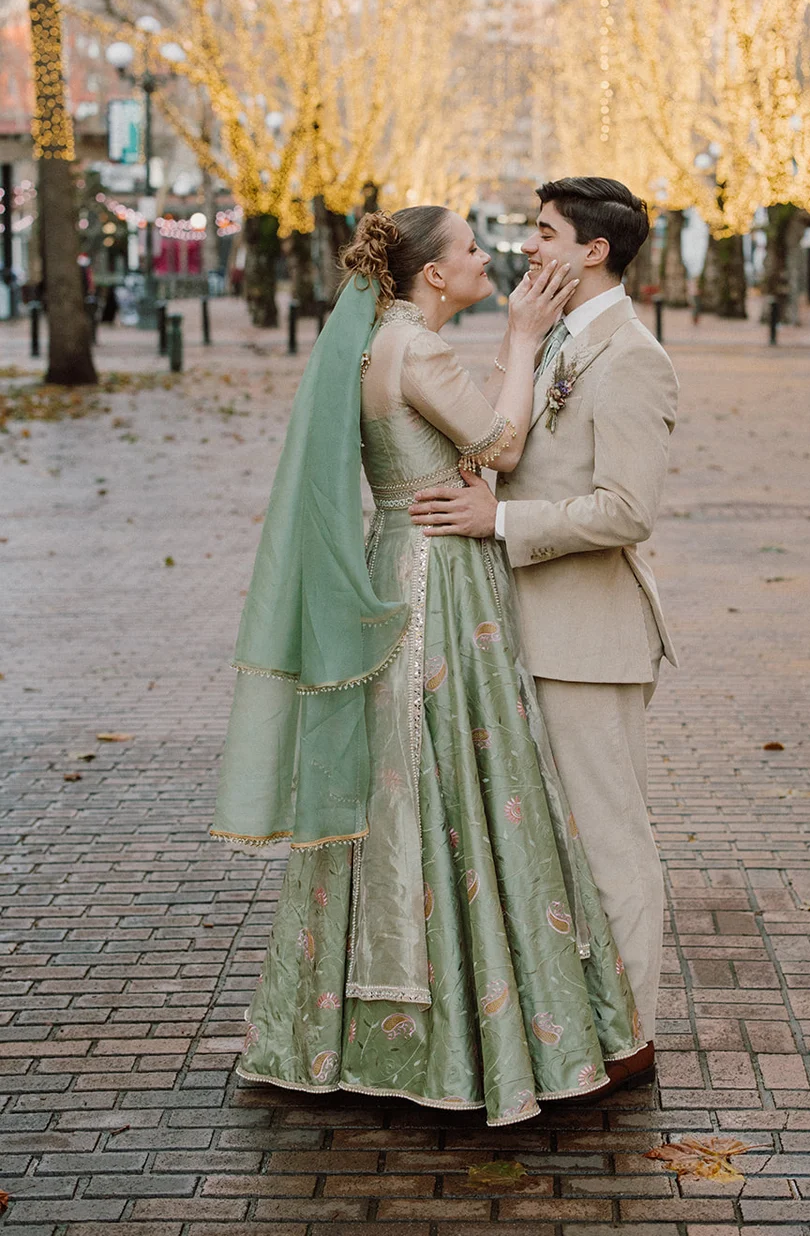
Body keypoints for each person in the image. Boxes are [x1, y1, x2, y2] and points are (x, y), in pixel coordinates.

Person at [211, 205, 651, 1125]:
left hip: (399, 557)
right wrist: (525, 338)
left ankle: (362, 1024)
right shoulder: (414, 348)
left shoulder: (386, 341)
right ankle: (470, 1033)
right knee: (459, 776)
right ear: (433, 275)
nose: (491, 257)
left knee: (407, 783)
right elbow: (501, 445)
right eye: (472, 250)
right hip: (438, 578)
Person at [411, 177, 680, 1090]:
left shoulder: (634, 355)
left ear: (593, 250)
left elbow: (627, 510)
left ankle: (633, 1038)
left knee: (610, 842)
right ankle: (580, 1025)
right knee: (555, 846)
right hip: (526, 628)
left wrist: (501, 524)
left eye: (545, 232)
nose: (528, 247)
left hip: (590, 637)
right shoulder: (559, 335)